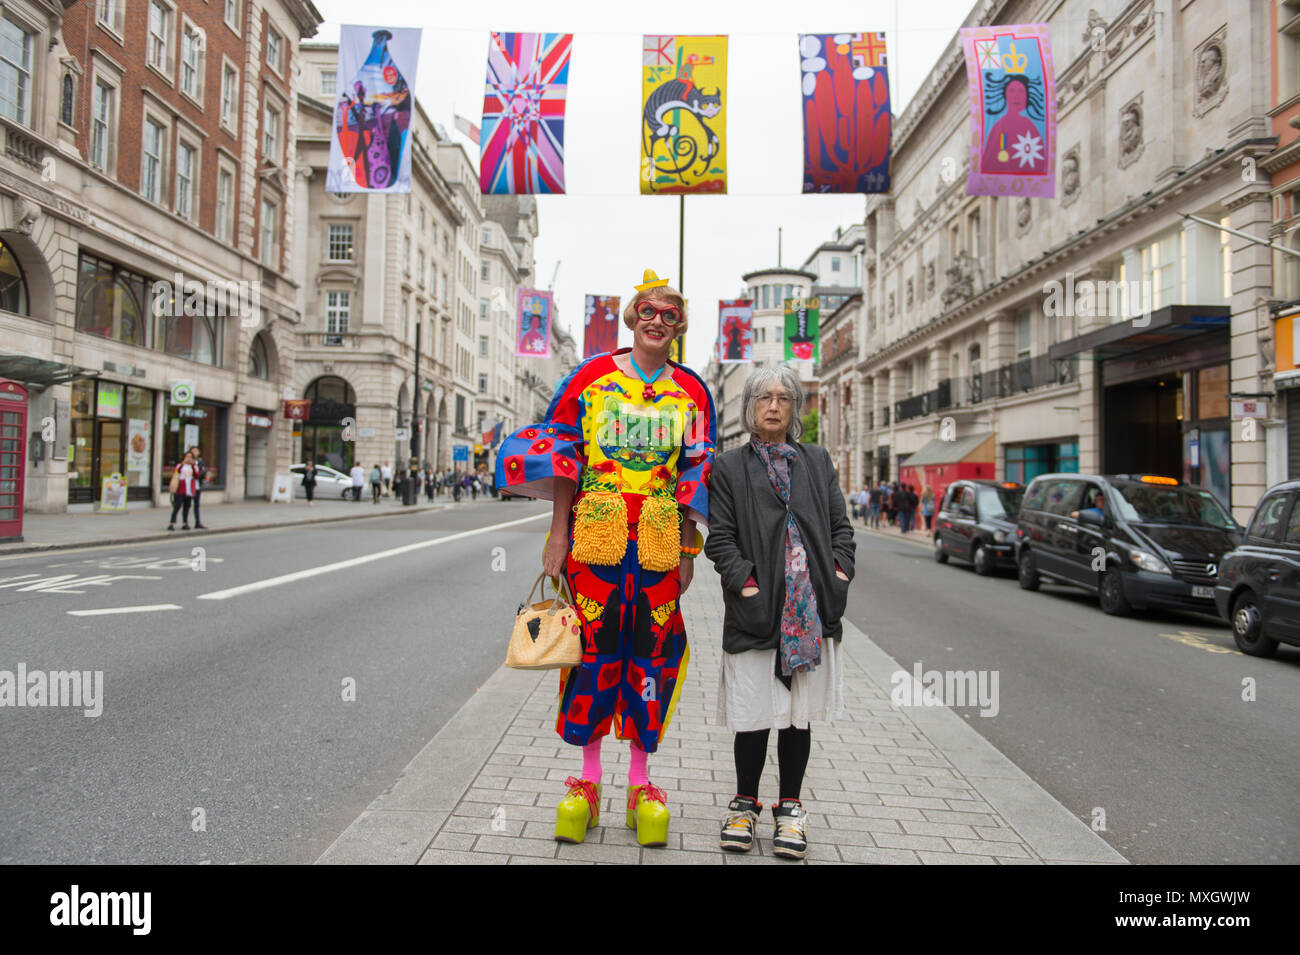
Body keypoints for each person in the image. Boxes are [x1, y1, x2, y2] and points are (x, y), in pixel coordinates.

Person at [496, 268, 715, 849]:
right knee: (590, 648)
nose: (658, 320)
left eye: (670, 314)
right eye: (649, 309)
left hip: (661, 542)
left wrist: (690, 545)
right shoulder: (591, 378)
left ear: (680, 325)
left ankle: (641, 783)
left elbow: (697, 466)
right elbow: (563, 455)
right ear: (632, 316)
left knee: (654, 650)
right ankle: (588, 780)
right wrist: (556, 532)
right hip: (596, 535)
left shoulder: (691, 390)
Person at [704, 364, 854, 860]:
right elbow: (719, 538)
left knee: (796, 719)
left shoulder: (817, 460)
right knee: (753, 715)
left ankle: (790, 808)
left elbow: (841, 528)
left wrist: (838, 575)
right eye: (765, 397)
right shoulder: (727, 467)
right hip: (755, 611)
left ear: (795, 408)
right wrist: (745, 581)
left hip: (809, 615)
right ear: (749, 407)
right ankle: (744, 804)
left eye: (784, 398)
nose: (774, 405)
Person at [167, 451, 198, 531]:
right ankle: (172, 523)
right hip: (180, 489)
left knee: (187, 507)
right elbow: (176, 472)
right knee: (177, 506)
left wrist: (193, 465)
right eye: (187, 456)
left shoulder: (193, 467)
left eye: (190, 457)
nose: (188, 458)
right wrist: (183, 463)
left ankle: (185, 523)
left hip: (189, 490)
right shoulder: (180, 466)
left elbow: (197, 475)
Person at [187, 445, 209, 529]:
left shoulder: (200, 461)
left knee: (196, 505)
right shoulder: (187, 461)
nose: (195, 452)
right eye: (193, 451)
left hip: (197, 486)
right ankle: (185, 522)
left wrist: (198, 475)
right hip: (189, 487)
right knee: (187, 505)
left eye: (197, 451)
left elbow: (203, 472)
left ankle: (198, 522)